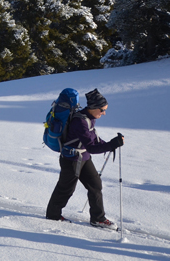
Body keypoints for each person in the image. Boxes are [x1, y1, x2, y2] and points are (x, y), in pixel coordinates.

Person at [46, 88, 124, 229]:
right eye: (102, 110)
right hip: (71, 159)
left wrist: (111, 144)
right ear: (93, 107)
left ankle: (98, 219)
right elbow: (93, 147)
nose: (104, 113)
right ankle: (53, 215)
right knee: (66, 189)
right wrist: (112, 144)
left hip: (84, 157)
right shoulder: (80, 122)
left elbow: (94, 141)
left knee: (95, 185)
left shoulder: (90, 118)